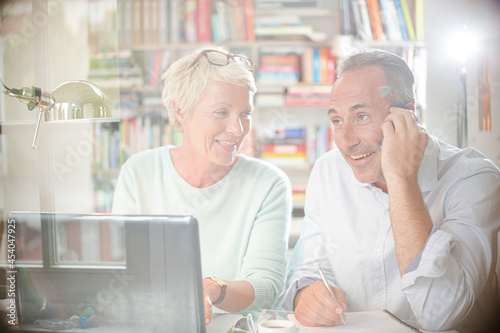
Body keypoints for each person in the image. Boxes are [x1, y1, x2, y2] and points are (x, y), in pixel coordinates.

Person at [283, 49, 500, 332]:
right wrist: (305, 294)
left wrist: (401, 179)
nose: (345, 141)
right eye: (337, 121)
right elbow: (306, 269)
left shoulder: (473, 178)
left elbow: (441, 313)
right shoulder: (328, 170)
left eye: (361, 116)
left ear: (407, 116)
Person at [112, 46, 292, 325]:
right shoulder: (139, 173)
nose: (238, 129)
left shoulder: (268, 184)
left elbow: (267, 287)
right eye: (221, 112)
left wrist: (213, 290)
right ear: (181, 111)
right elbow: (124, 274)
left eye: (246, 113)